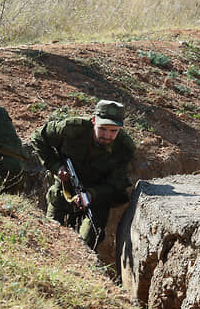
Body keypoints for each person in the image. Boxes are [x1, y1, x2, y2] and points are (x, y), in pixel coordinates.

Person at [30, 100, 135, 249]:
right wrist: (56, 166)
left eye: (114, 131)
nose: (107, 135)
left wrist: (91, 195)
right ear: (93, 121)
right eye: (103, 128)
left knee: (85, 247)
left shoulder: (124, 147)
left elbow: (116, 185)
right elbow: (39, 137)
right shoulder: (71, 129)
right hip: (63, 193)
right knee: (48, 244)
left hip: (96, 202)